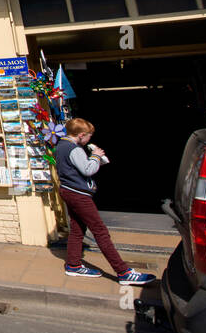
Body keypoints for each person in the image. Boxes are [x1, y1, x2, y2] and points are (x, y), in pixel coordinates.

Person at [56, 117, 155, 285]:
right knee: (100, 231)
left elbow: (75, 169)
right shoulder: (75, 149)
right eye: (88, 136)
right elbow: (88, 170)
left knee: (77, 228)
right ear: (81, 135)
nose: (90, 139)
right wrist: (95, 156)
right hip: (79, 194)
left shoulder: (60, 146)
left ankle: (73, 264)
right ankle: (123, 272)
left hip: (68, 190)